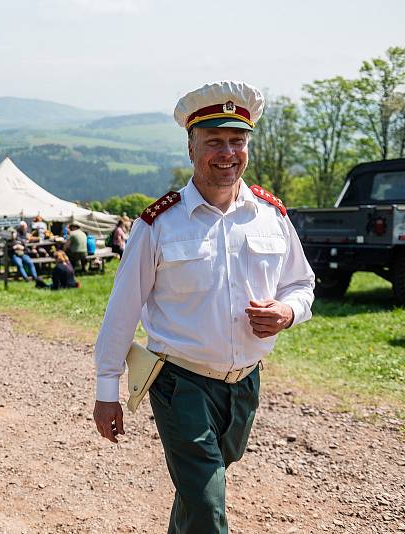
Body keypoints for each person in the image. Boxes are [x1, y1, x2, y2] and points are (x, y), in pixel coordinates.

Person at [92, 81, 315, 534]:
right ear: (191, 146)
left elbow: (302, 284)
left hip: (244, 386)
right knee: (209, 508)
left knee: (200, 493)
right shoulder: (159, 224)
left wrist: (288, 312)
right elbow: (123, 310)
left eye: (237, 141)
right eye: (214, 141)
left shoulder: (271, 216)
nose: (227, 152)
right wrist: (105, 390)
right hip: (180, 385)